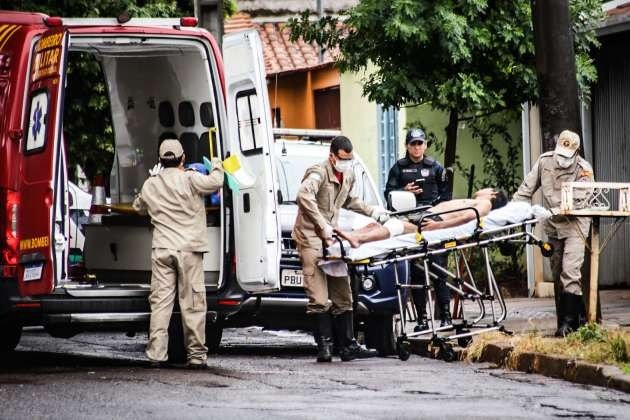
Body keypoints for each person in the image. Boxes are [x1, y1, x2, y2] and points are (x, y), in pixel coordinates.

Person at [293, 135, 388, 362]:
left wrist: (373, 212)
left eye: (349, 158)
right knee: (319, 296)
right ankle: (325, 347)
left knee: (343, 293)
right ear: (332, 157)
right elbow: (304, 195)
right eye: (343, 159)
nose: (346, 162)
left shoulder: (349, 175)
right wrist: (321, 224)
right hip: (311, 237)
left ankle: (347, 345)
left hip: (332, 239)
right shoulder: (318, 173)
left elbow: (349, 200)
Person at [133, 139, 224, 368]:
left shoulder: (151, 184)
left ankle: (156, 354)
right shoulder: (191, 178)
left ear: (160, 160)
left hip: (162, 249)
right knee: (192, 303)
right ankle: (196, 356)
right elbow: (216, 182)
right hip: (189, 250)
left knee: (160, 304)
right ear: (183, 158)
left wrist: (153, 182)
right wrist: (217, 164)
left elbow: (138, 207)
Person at [512, 130, 594, 337]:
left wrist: (551, 211)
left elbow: (579, 201)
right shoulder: (544, 161)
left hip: (576, 224)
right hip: (553, 226)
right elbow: (525, 189)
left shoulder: (584, 169)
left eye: (567, 156)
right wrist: (513, 211)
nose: (562, 160)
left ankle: (568, 325)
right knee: (558, 273)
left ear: (576, 153)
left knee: (570, 271)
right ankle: (578, 321)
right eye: (560, 154)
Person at [383, 127, 452, 331]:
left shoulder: (435, 167)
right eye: (413, 144)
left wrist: (437, 215)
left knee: (439, 269)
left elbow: (446, 197)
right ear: (407, 146)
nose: (416, 147)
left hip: (432, 221)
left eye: (420, 143)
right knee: (416, 272)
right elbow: (389, 195)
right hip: (409, 222)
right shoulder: (399, 168)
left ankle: (446, 316)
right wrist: (404, 191)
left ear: (425, 145)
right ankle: (422, 319)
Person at [335, 189, 509, 248]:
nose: (483, 188)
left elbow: (468, 216)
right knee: (381, 224)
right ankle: (344, 238)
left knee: (395, 227)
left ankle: (357, 239)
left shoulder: (486, 203)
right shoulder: (478, 201)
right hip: (429, 217)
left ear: (493, 193)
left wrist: (438, 226)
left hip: (434, 221)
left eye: (488, 188)